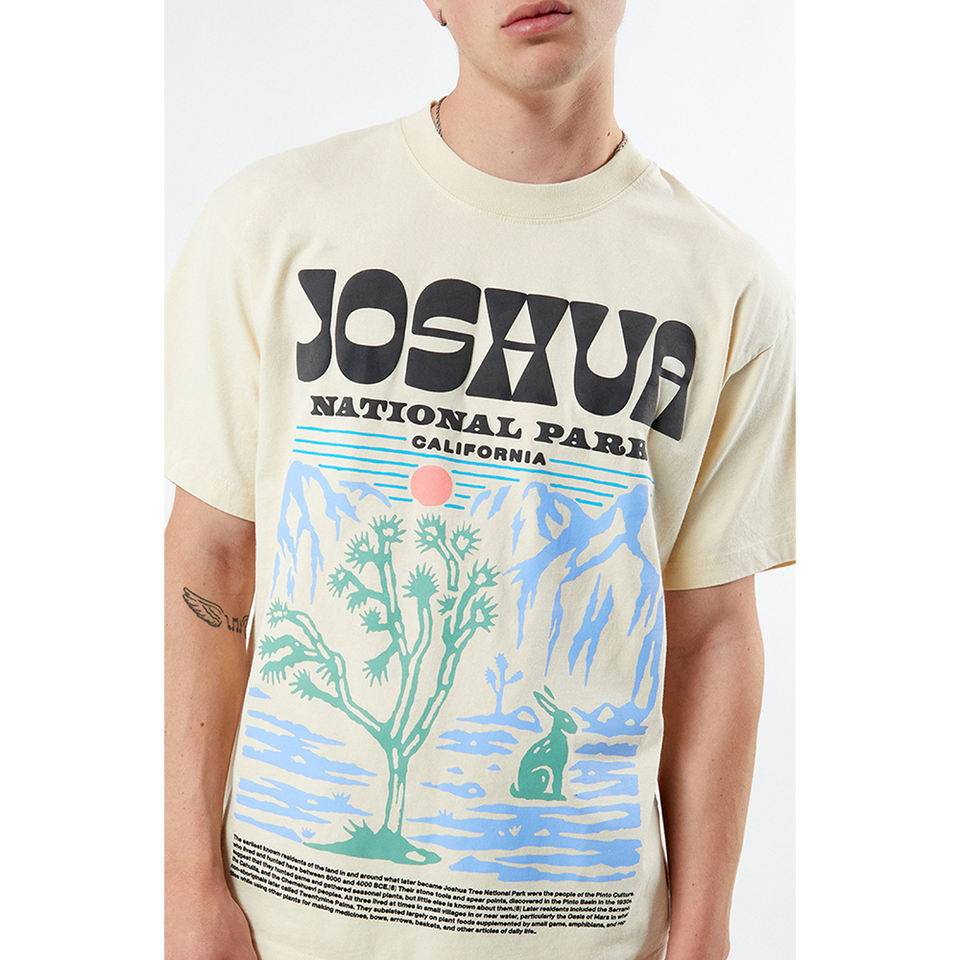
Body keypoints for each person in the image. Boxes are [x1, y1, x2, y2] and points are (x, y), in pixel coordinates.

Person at [164, 2, 795, 959]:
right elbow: (209, 562)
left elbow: (711, 630)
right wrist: (184, 890)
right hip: (282, 928)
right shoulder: (274, 222)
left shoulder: (727, 285)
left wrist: (704, 935)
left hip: (584, 936)